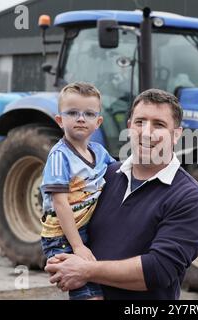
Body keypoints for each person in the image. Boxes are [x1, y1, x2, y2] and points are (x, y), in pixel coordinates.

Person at [45, 88, 198, 300]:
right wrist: (61, 260)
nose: (147, 132)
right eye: (140, 122)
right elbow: (68, 219)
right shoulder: (105, 176)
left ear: (176, 134)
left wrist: (85, 270)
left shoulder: (190, 198)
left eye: (158, 125)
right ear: (129, 127)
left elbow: (158, 270)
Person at [40, 82, 115, 300]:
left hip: (88, 230)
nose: (81, 118)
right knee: (87, 293)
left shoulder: (100, 153)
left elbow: (120, 176)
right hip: (63, 236)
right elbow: (60, 203)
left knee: (101, 289)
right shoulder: (59, 157)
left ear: (98, 122)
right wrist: (78, 246)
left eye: (89, 114)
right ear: (60, 120)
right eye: (72, 113)